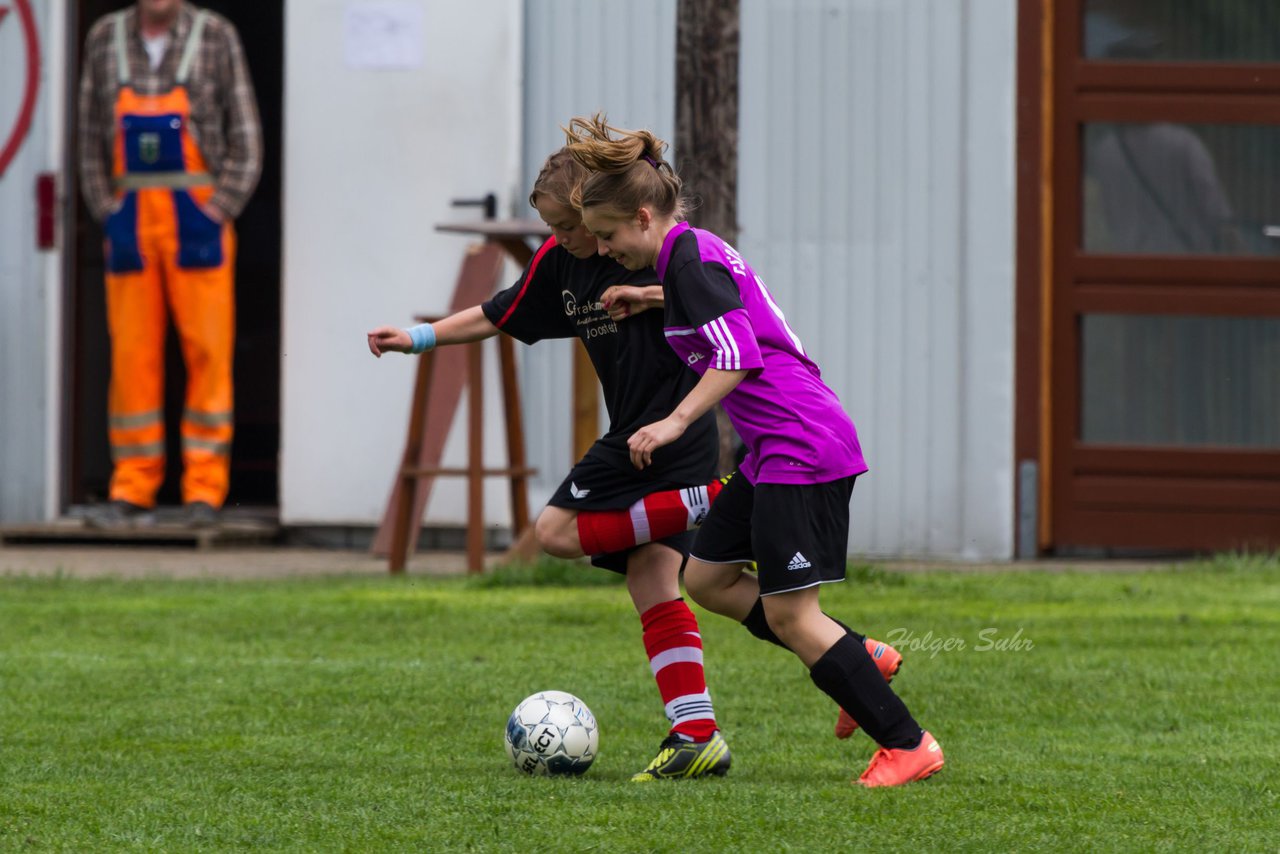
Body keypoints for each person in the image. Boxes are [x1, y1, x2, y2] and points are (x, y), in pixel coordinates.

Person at [564, 114, 944, 787]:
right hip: (776, 449)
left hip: (803, 443)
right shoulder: (692, 253)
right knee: (707, 578)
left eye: (608, 236)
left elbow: (736, 354)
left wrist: (675, 422)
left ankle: (908, 743)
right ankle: (860, 657)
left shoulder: (688, 260)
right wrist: (650, 297)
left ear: (644, 216)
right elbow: (734, 310)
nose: (604, 250)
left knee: (792, 614)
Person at [367, 148, 733, 782]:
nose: (562, 240)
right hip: (642, 435)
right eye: (555, 230)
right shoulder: (561, 262)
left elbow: (714, 302)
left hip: (666, 431)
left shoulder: (654, 253)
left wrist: (648, 295)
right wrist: (417, 338)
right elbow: (497, 313)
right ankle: (698, 733)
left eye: (569, 228)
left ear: (598, 217)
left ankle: (717, 499)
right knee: (652, 580)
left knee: (555, 532)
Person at [78, 0, 262, 529]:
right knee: (132, 355)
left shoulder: (215, 36)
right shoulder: (103, 39)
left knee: (208, 352)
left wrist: (218, 211)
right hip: (130, 224)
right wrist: (107, 211)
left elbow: (247, 141)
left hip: (198, 224)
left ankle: (204, 491)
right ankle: (132, 488)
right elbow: (89, 141)